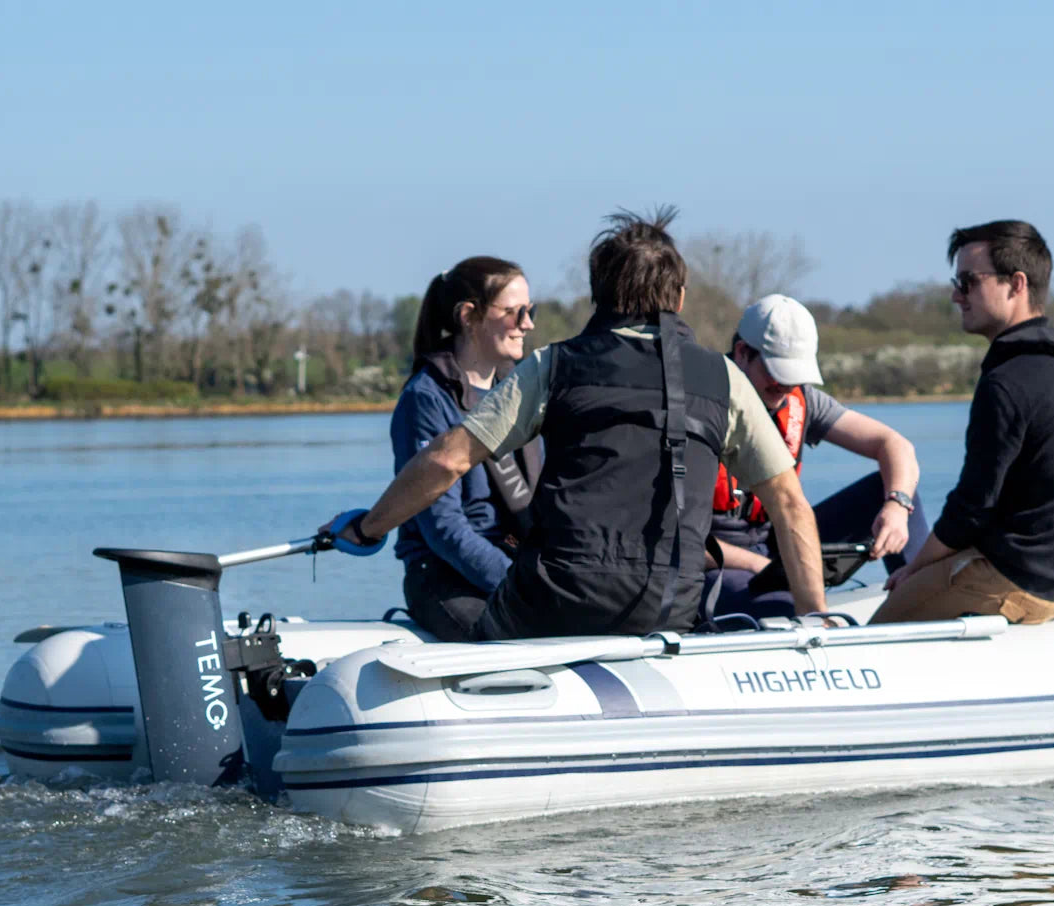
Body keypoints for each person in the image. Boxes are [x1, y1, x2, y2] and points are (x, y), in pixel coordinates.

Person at [324, 208, 827, 638]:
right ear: (677, 298)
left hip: (555, 607)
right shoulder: (724, 377)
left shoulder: (553, 366)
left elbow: (446, 459)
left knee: (481, 631)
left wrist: (371, 528)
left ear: (599, 294)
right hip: (667, 610)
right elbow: (789, 504)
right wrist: (814, 620)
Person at [873, 220, 1054, 626]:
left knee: (880, 635)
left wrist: (913, 569)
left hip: (1021, 579)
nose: (957, 295)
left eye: (969, 281)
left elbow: (969, 510)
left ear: (1016, 284)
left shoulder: (1007, 382)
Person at [707, 294, 927, 618]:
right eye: (776, 375)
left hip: (778, 541)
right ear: (742, 353)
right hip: (719, 559)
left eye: (794, 376)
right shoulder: (701, 404)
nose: (785, 388)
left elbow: (895, 446)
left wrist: (897, 504)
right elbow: (674, 538)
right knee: (785, 607)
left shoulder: (799, 399)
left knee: (893, 490)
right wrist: (765, 567)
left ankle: (924, 598)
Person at [388, 256, 541, 640]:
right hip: (443, 578)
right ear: (469, 316)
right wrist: (517, 586)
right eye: (514, 312)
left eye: (530, 310)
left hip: (516, 566)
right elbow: (443, 527)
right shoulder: (425, 399)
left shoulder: (522, 391)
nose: (528, 324)